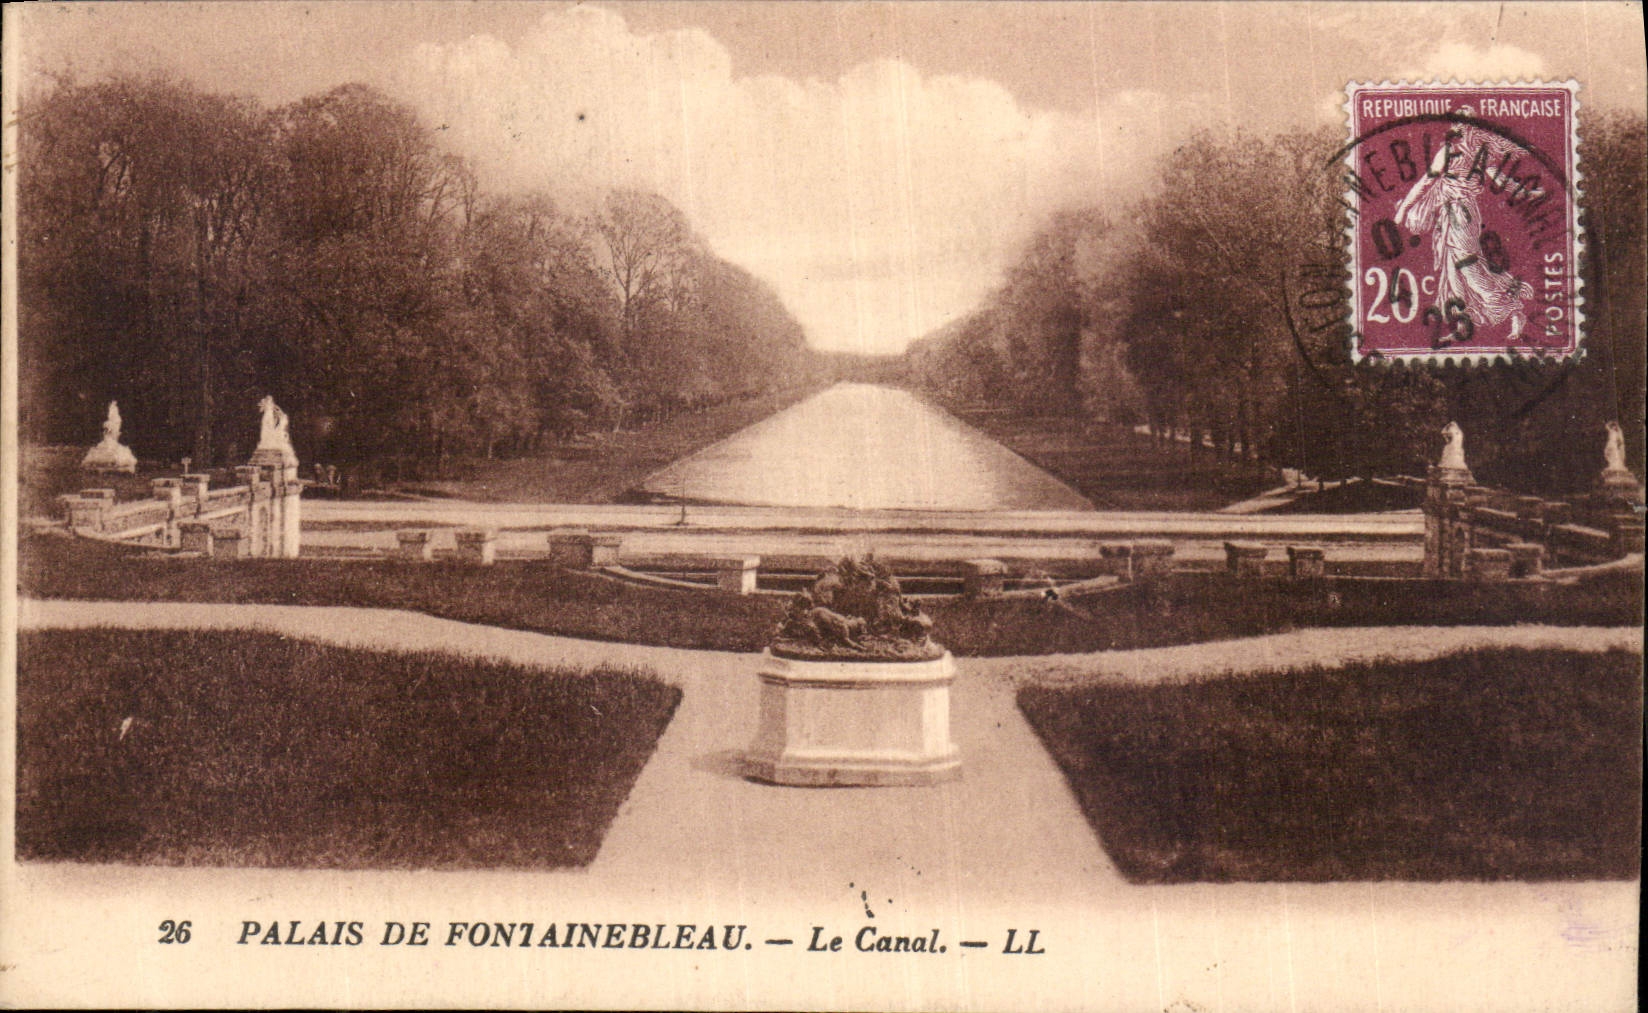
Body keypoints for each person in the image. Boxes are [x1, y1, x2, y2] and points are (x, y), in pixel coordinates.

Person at [1393, 107, 1535, 342]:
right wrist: (1523, 191)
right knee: (1453, 271)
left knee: (1467, 266)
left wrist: (1403, 210)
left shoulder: (1465, 153)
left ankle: (1510, 308)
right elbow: (1427, 182)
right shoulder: (1463, 152)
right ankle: (1462, 323)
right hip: (1454, 214)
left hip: (1460, 213)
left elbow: (1425, 184)